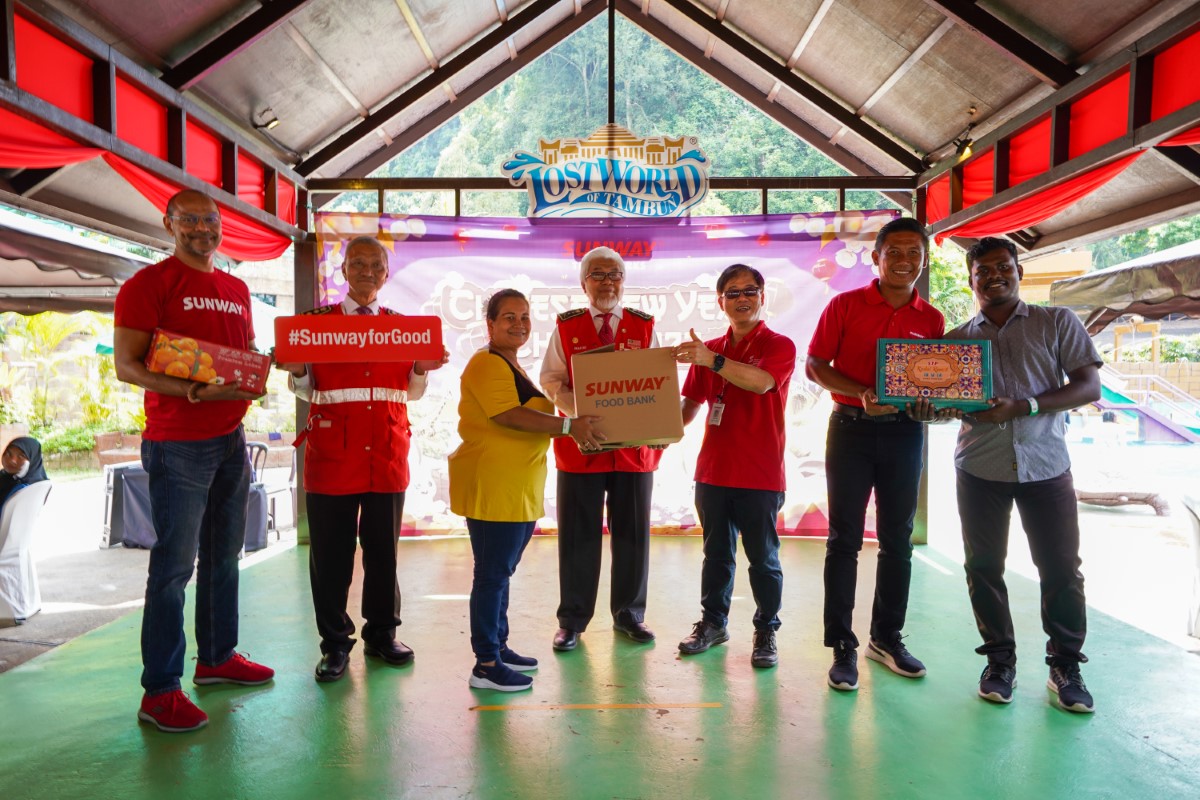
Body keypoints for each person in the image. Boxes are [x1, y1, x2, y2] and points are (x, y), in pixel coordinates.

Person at [113, 189, 274, 734]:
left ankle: (216, 658)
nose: (203, 229)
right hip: (177, 441)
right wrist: (191, 394)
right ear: (169, 223)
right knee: (173, 569)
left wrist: (259, 369)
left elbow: (245, 348)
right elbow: (128, 366)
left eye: (211, 220)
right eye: (191, 220)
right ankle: (159, 691)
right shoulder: (148, 285)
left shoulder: (235, 287)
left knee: (225, 558)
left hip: (231, 438)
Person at [277, 235, 448, 684]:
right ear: (343, 270)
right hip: (332, 457)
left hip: (387, 454)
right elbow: (305, 388)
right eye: (358, 264)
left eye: (376, 265)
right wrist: (295, 366)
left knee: (384, 556)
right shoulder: (315, 325)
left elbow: (410, 392)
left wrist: (421, 368)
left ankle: (382, 634)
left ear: (386, 274)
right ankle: (334, 645)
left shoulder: (402, 327)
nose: (367, 272)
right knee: (331, 559)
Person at [945, 237, 1101, 713]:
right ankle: (999, 662)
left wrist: (1025, 406)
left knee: (1060, 570)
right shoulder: (955, 342)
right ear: (971, 278)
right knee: (983, 567)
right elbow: (943, 408)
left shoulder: (1057, 322)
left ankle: (1066, 666)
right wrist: (925, 407)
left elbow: (1089, 386)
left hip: (1046, 466)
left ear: (1017, 270)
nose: (995, 275)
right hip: (980, 467)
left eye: (1003, 266)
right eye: (983, 269)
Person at [805, 216, 945, 692]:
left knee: (897, 540)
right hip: (849, 430)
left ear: (923, 261)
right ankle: (841, 646)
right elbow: (815, 366)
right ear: (876, 257)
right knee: (844, 539)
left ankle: (886, 638)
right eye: (895, 252)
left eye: (914, 254)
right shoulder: (844, 305)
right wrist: (862, 392)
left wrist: (930, 403)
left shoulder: (932, 320)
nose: (904, 261)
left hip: (905, 433)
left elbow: (932, 382)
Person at [450, 290, 603, 691]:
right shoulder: (485, 362)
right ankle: (485, 663)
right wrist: (569, 426)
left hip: (516, 488)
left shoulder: (509, 363)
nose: (518, 324)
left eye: (524, 316)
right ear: (490, 325)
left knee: (501, 573)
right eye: (508, 317)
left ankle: (498, 646)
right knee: (491, 576)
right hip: (493, 486)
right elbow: (508, 415)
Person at [672, 263, 796, 669]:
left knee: (763, 559)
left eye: (749, 291)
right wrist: (649, 427)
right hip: (713, 471)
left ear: (762, 296)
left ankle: (766, 630)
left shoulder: (780, 345)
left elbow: (760, 383)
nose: (742, 299)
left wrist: (716, 362)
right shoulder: (708, 350)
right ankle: (713, 623)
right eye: (732, 293)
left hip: (760, 473)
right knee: (716, 555)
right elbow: (689, 406)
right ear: (720, 301)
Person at [540, 246, 661, 652]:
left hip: (632, 451)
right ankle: (572, 620)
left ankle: (630, 614)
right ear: (583, 283)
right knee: (578, 537)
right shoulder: (567, 327)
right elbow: (552, 380)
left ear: (624, 281)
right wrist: (582, 414)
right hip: (582, 447)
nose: (607, 281)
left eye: (615, 274)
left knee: (632, 535)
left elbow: (656, 383)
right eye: (598, 274)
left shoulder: (644, 326)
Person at [0, 437, 49, 510]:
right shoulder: (4, 477)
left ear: (33, 459)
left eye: (21, 456)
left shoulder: (29, 488)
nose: (12, 460)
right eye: (8, 454)